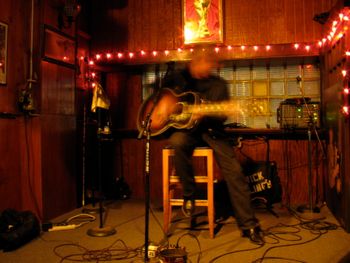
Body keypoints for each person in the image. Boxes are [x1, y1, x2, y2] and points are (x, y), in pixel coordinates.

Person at [162, 48, 264, 245]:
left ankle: (249, 224)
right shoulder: (178, 80)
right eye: (202, 63)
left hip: (213, 133)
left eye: (209, 64)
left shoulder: (219, 85)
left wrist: (206, 113)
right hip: (186, 131)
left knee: (234, 171)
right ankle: (189, 195)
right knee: (176, 142)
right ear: (194, 62)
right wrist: (168, 107)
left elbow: (223, 115)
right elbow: (162, 97)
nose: (206, 67)